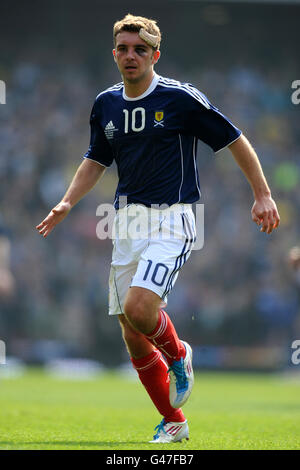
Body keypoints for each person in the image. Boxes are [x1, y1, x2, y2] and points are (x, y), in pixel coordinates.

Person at [36, 14, 280, 443]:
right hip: (125, 220)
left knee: (140, 310)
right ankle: (174, 421)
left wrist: (262, 194)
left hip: (174, 217)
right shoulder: (105, 103)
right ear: (114, 53)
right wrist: (67, 201)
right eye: (124, 49)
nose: (131, 56)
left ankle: (179, 352)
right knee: (132, 334)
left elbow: (234, 139)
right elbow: (96, 158)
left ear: (155, 55)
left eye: (141, 50)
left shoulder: (180, 99)